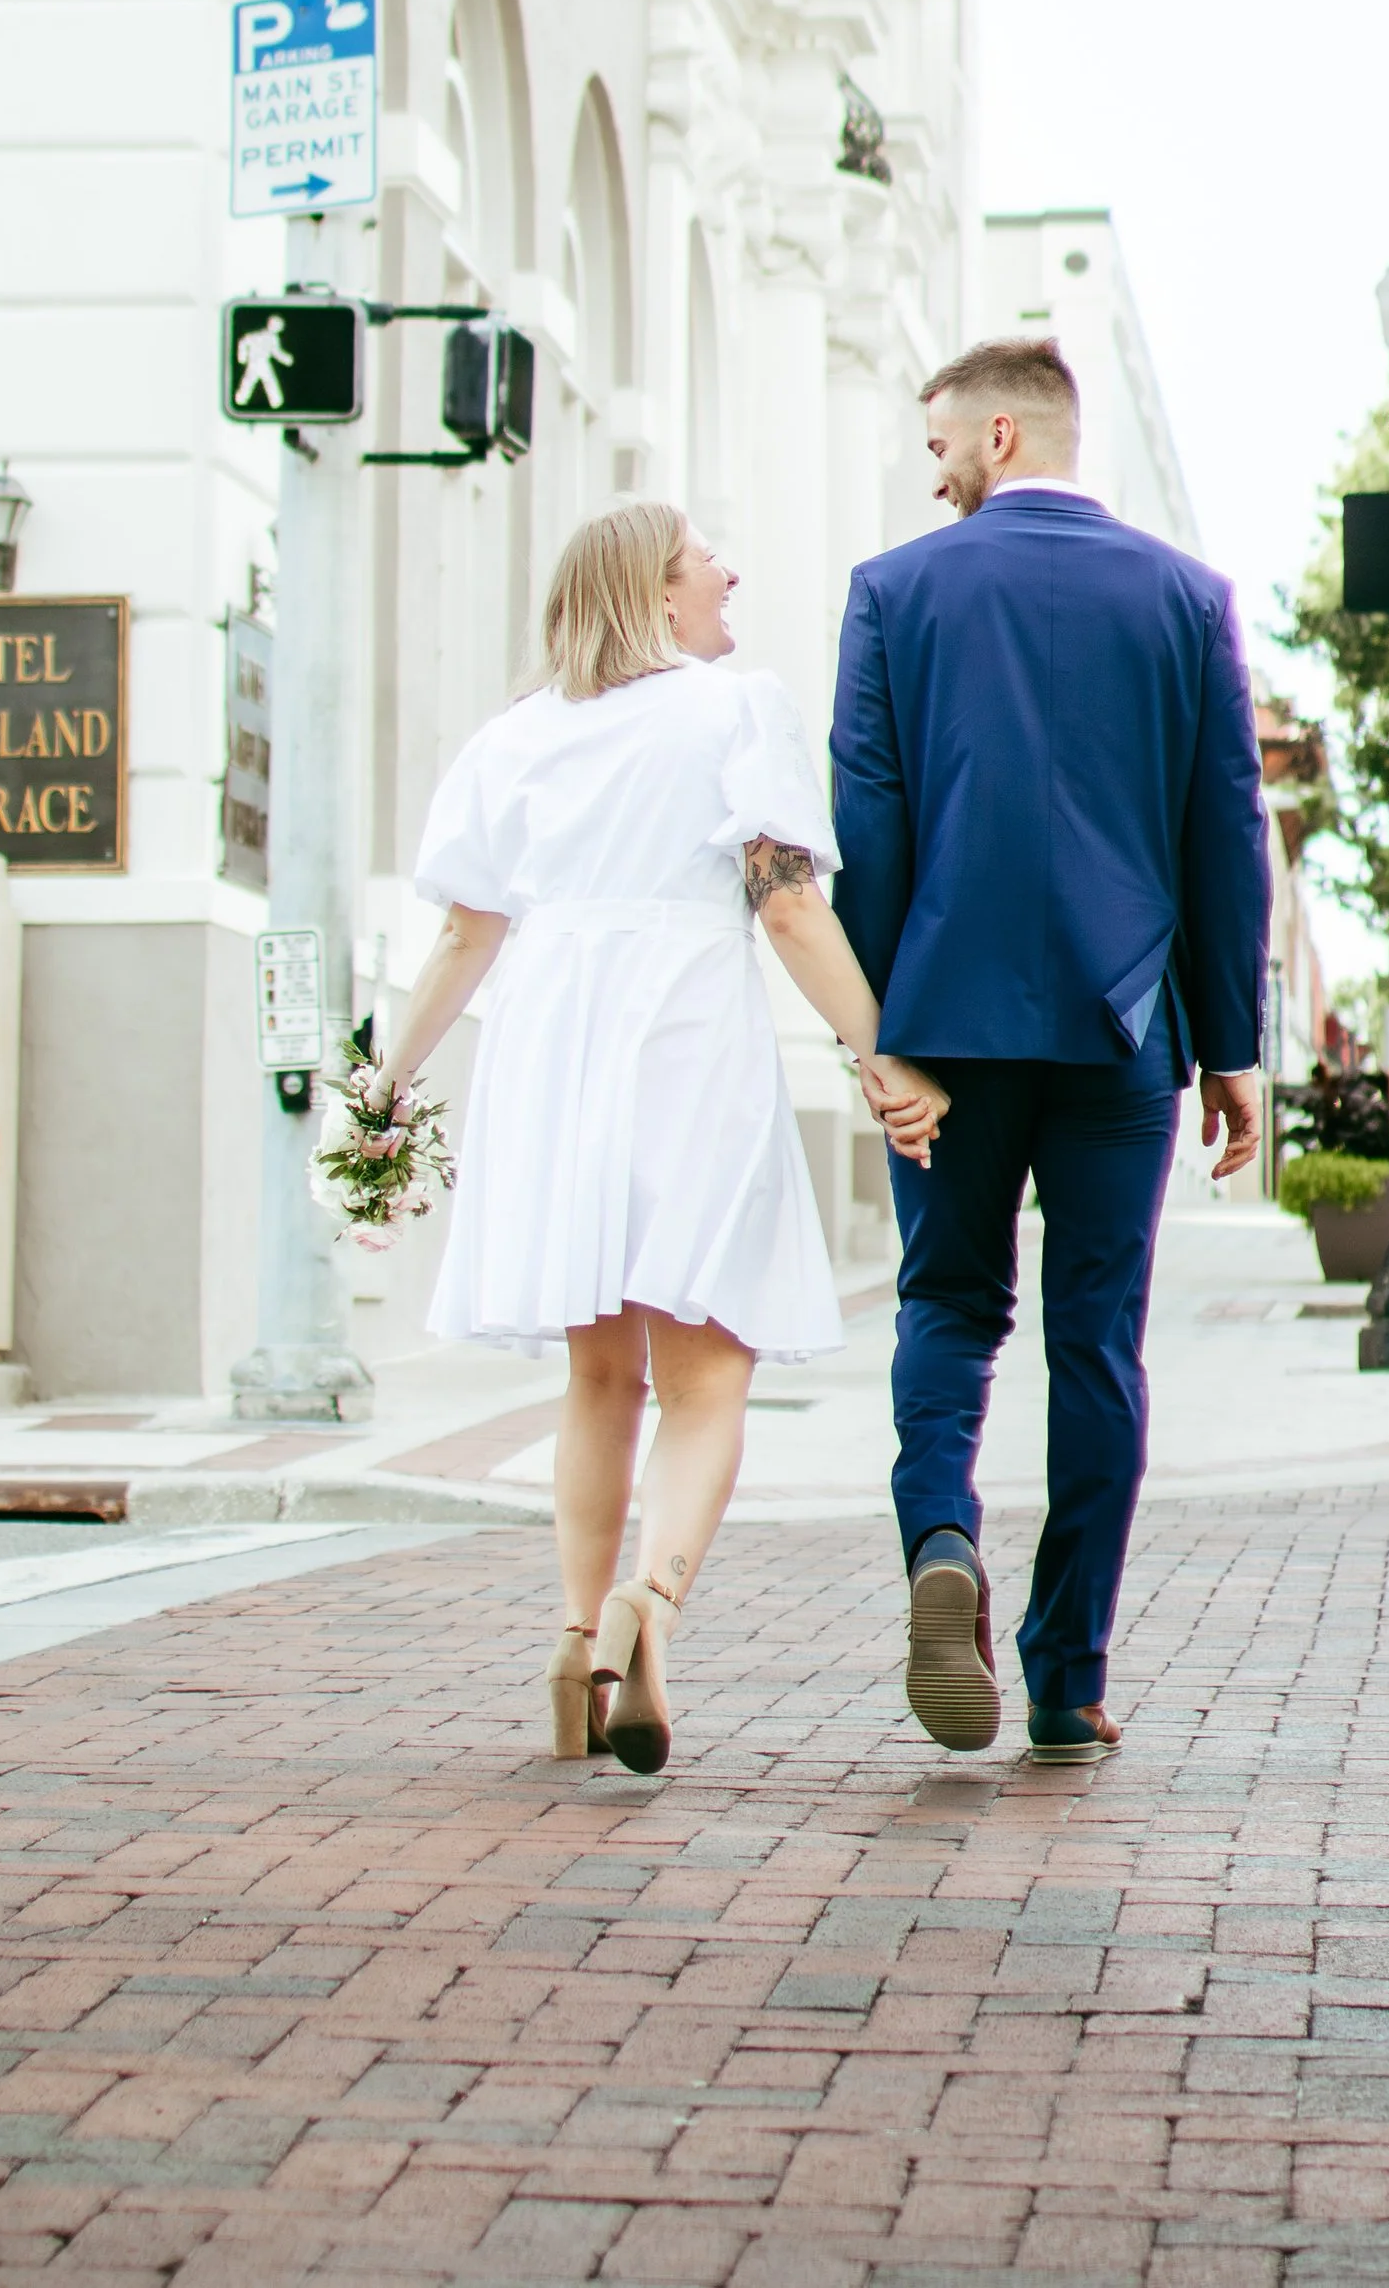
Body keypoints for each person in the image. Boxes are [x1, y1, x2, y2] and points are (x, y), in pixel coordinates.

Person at [377, 500, 943, 1776]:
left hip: (550, 1052)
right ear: (654, 590)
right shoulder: (730, 708)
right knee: (705, 1376)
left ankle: (574, 1642)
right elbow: (789, 906)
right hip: (684, 1037)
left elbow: (466, 937)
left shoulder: (511, 741)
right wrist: (876, 1051)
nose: (730, 573)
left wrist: (385, 1082)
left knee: (597, 1375)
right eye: (706, 560)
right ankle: (653, 1603)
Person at [831, 337, 1272, 1758]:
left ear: (1007, 432)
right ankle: (1067, 1675)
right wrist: (1232, 1045)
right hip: (1119, 1025)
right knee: (1098, 1343)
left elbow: (872, 834)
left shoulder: (894, 593)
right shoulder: (1186, 599)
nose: (936, 467)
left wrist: (885, 1035)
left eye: (944, 442)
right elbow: (1223, 834)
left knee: (948, 1307)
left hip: (946, 1030)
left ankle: (942, 1536)